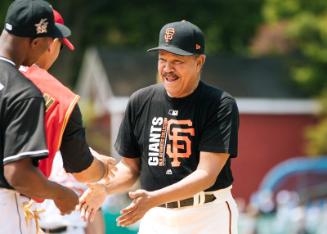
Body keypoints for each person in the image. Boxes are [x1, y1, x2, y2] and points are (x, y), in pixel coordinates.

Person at [79, 20, 240, 234]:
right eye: (162, 59)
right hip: (156, 215)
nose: (167, 68)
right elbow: (130, 168)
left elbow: (206, 174)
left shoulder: (219, 104)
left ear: (199, 62)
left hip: (208, 214)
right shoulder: (140, 100)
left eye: (177, 61)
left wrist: (153, 198)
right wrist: (104, 189)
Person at [20, 9, 111, 234]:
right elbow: (83, 171)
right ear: (50, 44)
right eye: (60, 47)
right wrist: (103, 168)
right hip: (13, 203)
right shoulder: (56, 95)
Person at [0, 0, 77, 233]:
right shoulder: (23, 92)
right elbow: (18, 174)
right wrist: (61, 193)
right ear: (35, 42)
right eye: (47, 43)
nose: (47, 50)